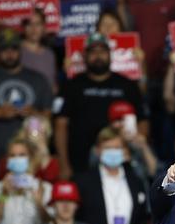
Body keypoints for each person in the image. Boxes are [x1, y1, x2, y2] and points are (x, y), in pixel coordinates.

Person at [55, 32, 147, 178]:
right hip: (80, 163)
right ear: (84, 56)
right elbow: (60, 125)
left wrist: (137, 152)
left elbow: (142, 121)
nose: (98, 56)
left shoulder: (128, 85)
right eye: (93, 51)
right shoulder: (71, 86)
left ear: (110, 54)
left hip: (121, 159)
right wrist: (64, 164)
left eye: (102, 51)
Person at [0, 28, 53, 156]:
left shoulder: (38, 79)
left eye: (14, 49)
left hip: (30, 155)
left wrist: (33, 113)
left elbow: (49, 120)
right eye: (4, 49)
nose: (10, 54)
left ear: (20, 50)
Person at [75, 127, 149, 224]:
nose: (113, 152)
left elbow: (143, 219)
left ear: (125, 151)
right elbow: (75, 219)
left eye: (117, 148)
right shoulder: (83, 181)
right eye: (108, 148)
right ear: (98, 151)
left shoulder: (136, 181)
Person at [20, 8, 58, 94]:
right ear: (23, 27)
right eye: (29, 24)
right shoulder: (15, 51)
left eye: (38, 24)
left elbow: (53, 86)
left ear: (44, 27)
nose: (34, 29)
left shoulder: (50, 54)